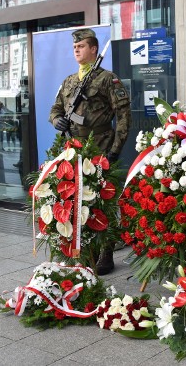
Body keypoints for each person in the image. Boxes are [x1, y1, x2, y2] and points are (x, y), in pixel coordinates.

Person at [49, 28, 131, 275]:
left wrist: (115, 151)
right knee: (77, 201)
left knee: (102, 201)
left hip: (101, 148)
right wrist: (57, 121)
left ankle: (106, 254)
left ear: (94, 49)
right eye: (75, 47)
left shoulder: (107, 79)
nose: (77, 50)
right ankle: (85, 251)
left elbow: (124, 117)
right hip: (74, 150)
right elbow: (55, 109)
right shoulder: (69, 82)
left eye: (81, 46)